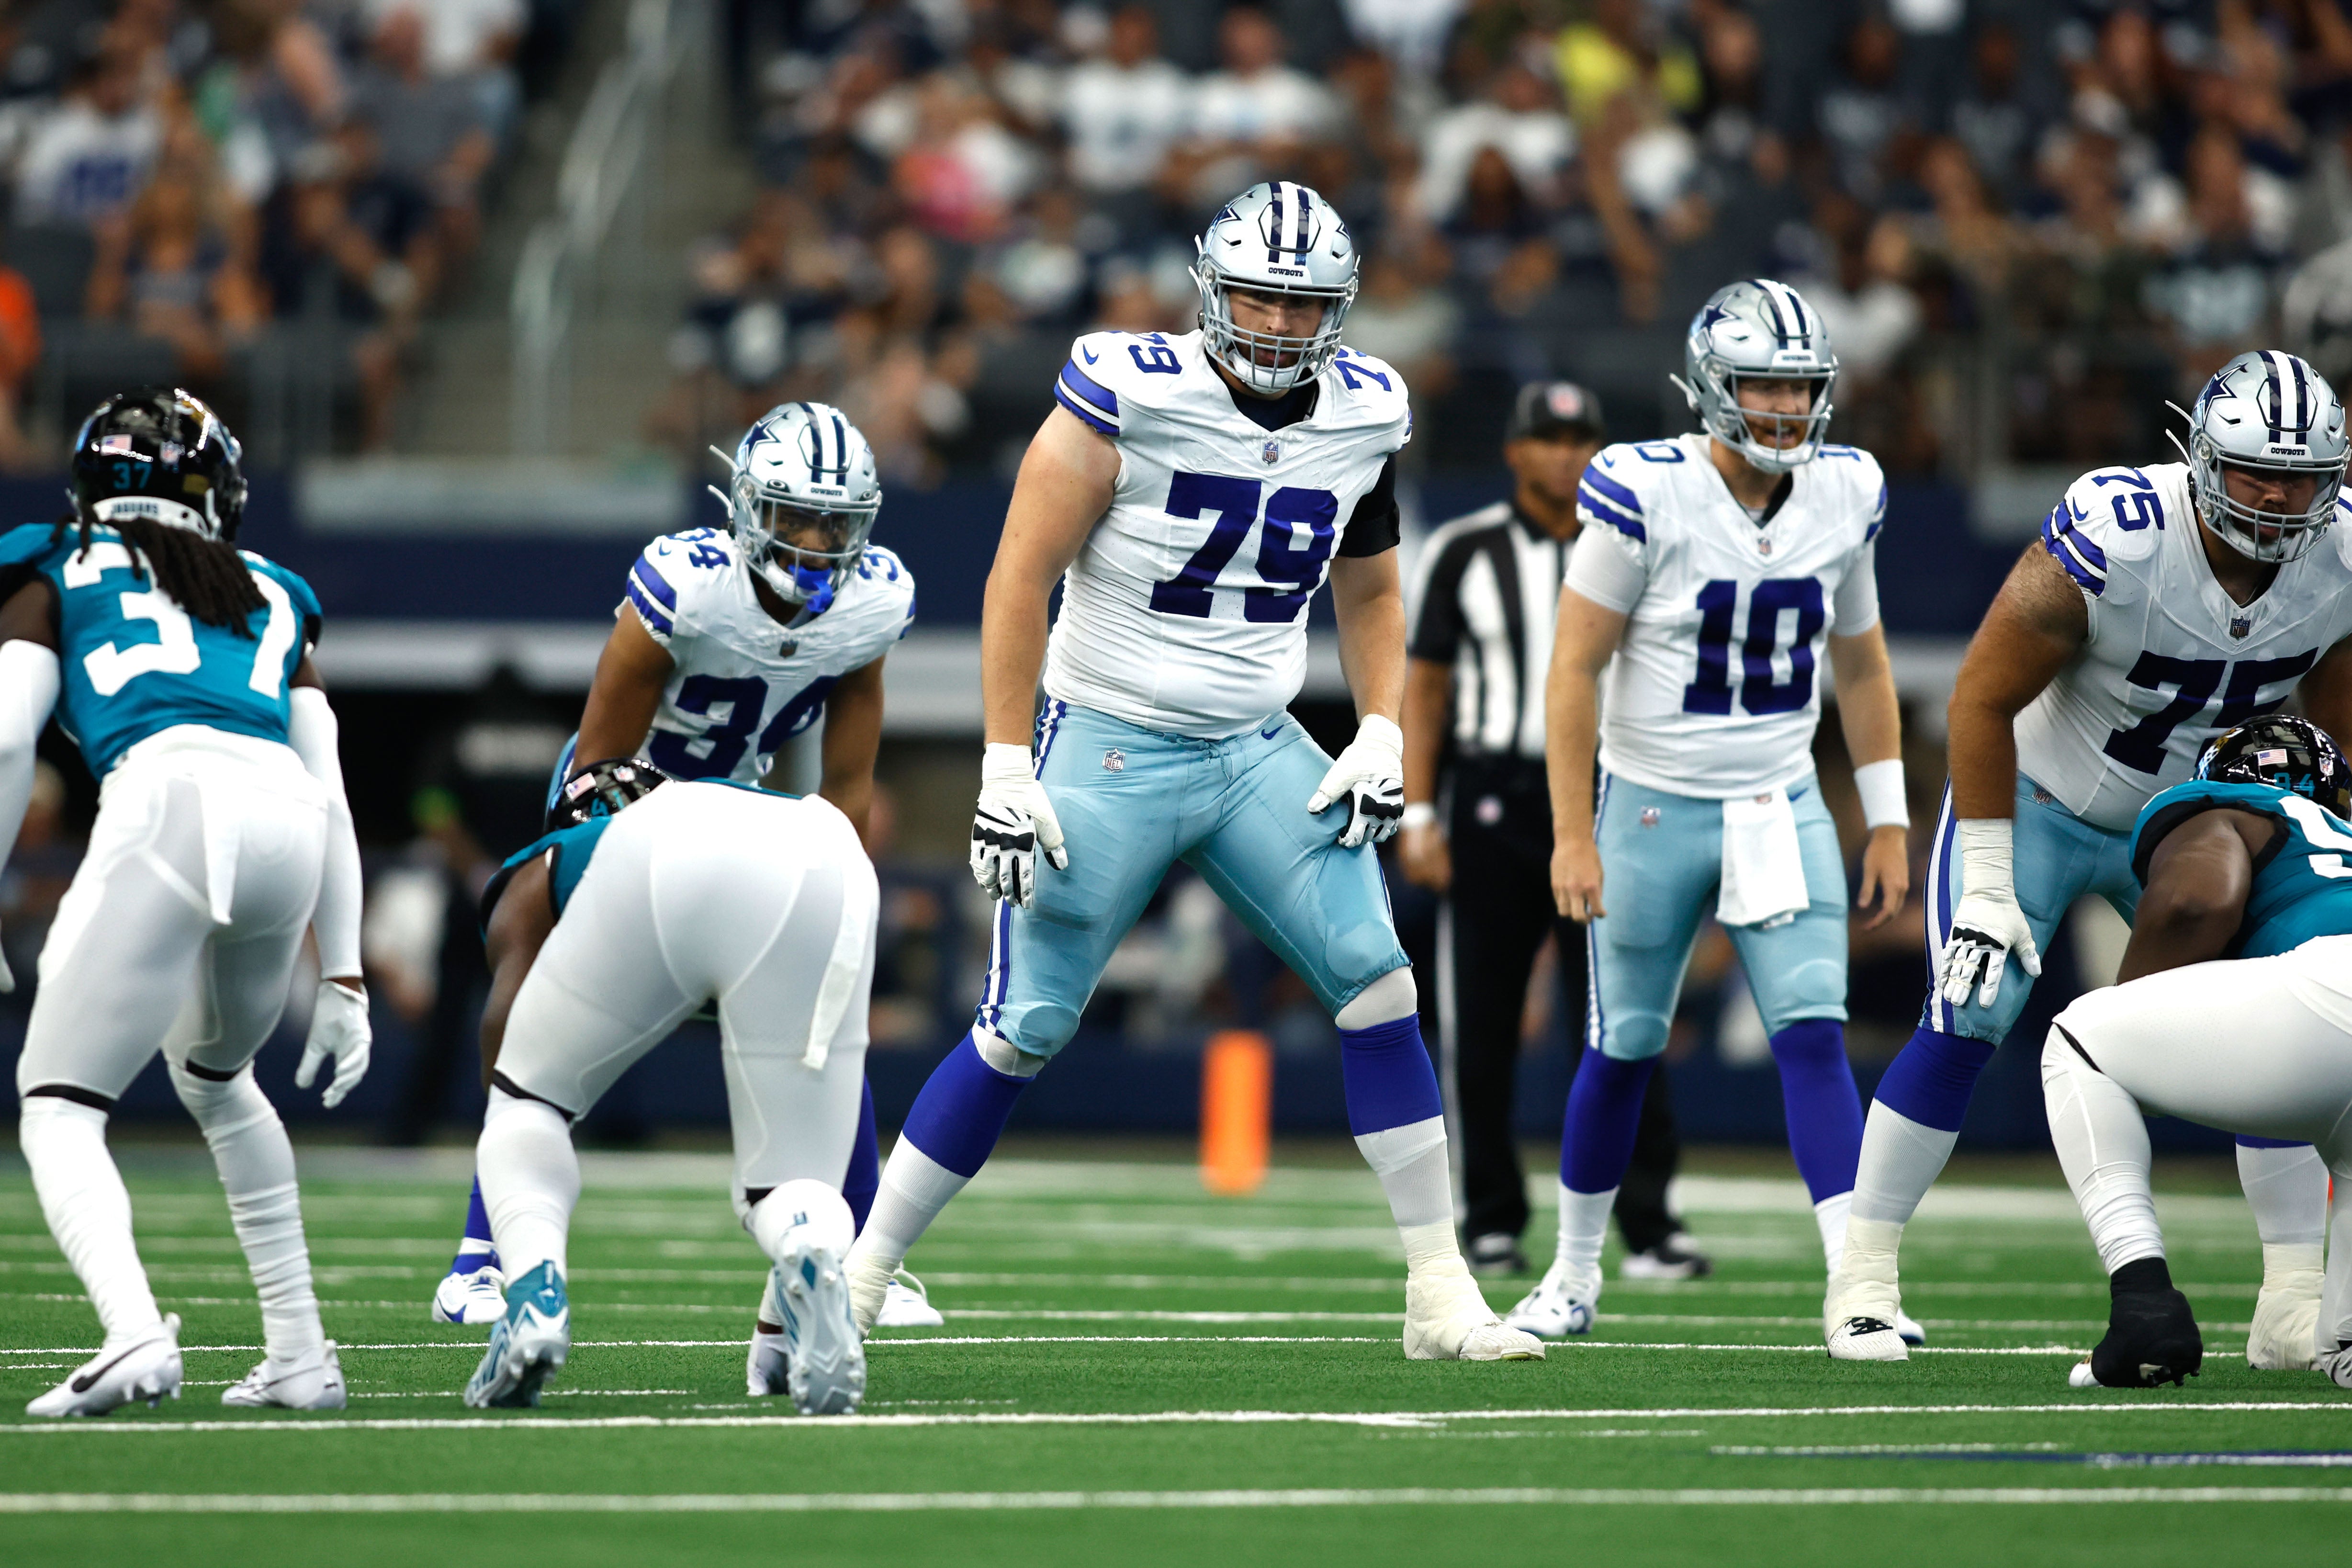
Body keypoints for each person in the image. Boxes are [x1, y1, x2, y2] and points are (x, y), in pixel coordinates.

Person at [842, 180, 1543, 1362]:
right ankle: (860, 1276)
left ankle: (1440, 1294)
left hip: (1255, 744)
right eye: (1260, 298)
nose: (1277, 324)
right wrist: (1006, 762)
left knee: (1380, 982)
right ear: (1213, 294)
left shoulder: (1366, 411)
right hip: (1110, 736)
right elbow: (1017, 579)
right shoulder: (1129, 390)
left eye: (1302, 303)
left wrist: (1382, 733)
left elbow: (1371, 586)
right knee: (1027, 1026)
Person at [1830, 349, 2352, 1365]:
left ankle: (2293, 1297)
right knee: (1969, 1008)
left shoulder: (2341, 558)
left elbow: (2337, 729)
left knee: (2271, 1031)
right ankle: (1863, 1280)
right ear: (2200, 456)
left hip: (2208, 830)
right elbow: (1980, 696)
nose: (2280, 498)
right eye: (2253, 471)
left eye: (2300, 477)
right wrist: (1985, 881)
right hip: (2044, 800)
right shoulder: (2121, 535)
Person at [429, 400, 934, 1332]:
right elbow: (597, 754)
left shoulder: (870, 603)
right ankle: (482, 1252)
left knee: (827, 1014)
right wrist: (598, 829)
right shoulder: (687, 583)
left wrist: (837, 879)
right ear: (746, 508)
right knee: (524, 963)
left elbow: (849, 774)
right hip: (621, 793)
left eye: (837, 523)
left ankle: (856, 1252)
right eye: (793, 516)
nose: (817, 542)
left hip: (740, 814)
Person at [1515, 279, 1915, 1350]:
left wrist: (1887, 816)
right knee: (1624, 1046)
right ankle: (1573, 1273)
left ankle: (1858, 1286)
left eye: (1800, 385)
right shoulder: (1645, 491)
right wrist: (1569, 831)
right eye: (1762, 384)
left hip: (1779, 799)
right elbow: (1572, 671)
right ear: (1708, 389)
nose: (1785, 407)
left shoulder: (1846, 490)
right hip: (1650, 804)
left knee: (1814, 1038)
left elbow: (1865, 663)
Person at [8, 389, 371, 1417]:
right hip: (289, 825)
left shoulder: (51, 564)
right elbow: (331, 782)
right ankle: (301, 1354)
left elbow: (2, 740)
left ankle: (131, 1333)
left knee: (59, 1104)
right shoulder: (275, 590)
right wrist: (340, 971)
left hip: (168, 802)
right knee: (217, 1075)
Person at [1401, 380, 1705, 1281]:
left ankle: (1650, 1220)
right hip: (1493, 798)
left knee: (1625, 1016)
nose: (1568, 454)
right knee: (1480, 1020)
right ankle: (1490, 1217)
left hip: (1614, 796)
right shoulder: (1465, 550)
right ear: (1515, 451)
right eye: (1550, 438)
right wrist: (1418, 810)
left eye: (1583, 438)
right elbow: (1425, 687)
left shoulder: (1641, 542)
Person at [462, 761, 876, 1414]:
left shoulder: (556, 857)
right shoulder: (745, 806)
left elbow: (501, 1027)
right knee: (791, 1188)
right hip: (828, 853)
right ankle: (806, 1240)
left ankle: (536, 1294)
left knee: (525, 1103)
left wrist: (512, 1117)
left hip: (662, 853)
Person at [2040, 716, 2352, 1388]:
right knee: (2344, 1346)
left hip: (2332, 994)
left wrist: (2133, 1036)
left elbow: (2193, 899)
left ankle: (2143, 1307)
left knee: (2078, 1040)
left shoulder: (2230, 808)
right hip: (2330, 1033)